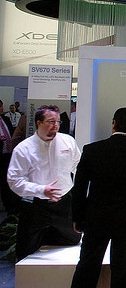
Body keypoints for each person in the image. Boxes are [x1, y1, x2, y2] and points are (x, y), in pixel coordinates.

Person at [70, 107, 126, 288]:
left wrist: (77, 217)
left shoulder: (92, 150)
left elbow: (79, 188)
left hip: (96, 219)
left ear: (114, 124)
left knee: (87, 268)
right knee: (121, 271)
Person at [7, 104, 82, 261]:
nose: (55, 125)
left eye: (58, 122)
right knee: (26, 250)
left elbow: (78, 166)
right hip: (36, 206)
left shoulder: (68, 141)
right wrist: (41, 189)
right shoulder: (24, 149)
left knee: (72, 240)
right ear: (39, 123)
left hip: (63, 203)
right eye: (51, 121)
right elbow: (14, 180)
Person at [1, 100, 20, 216]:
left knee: (7, 181)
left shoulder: (5, 119)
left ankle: (10, 208)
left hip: (8, 154)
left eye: (2, 106)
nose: (2, 109)